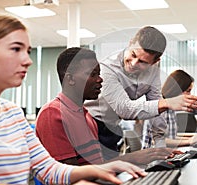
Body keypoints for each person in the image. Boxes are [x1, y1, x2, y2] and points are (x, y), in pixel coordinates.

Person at [0, 12, 146, 185]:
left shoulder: (12, 113)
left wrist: (102, 168)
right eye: (16, 49)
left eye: (28, 52)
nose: (28, 60)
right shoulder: (52, 113)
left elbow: (47, 168)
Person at [36, 47, 176, 165]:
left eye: (99, 73)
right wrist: (131, 159)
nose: (100, 79)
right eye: (92, 74)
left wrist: (140, 156)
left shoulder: (86, 116)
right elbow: (68, 178)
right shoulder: (52, 114)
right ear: (70, 79)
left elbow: (98, 166)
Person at [85, 26, 197, 159]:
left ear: (155, 62)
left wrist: (161, 146)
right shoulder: (108, 69)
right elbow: (125, 109)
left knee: (111, 172)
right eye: (133, 55)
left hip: (112, 126)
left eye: (142, 62)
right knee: (99, 171)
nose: (134, 63)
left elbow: (155, 104)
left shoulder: (153, 70)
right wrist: (168, 102)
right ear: (130, 43)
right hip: (90, 124)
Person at [142, 69, 197, 148]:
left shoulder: (171, 108)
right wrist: (189, 141)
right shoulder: (159, 106)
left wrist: (193, 138)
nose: (189, 94)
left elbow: (171, 138)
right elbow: (157, 141)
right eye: (188, 91)